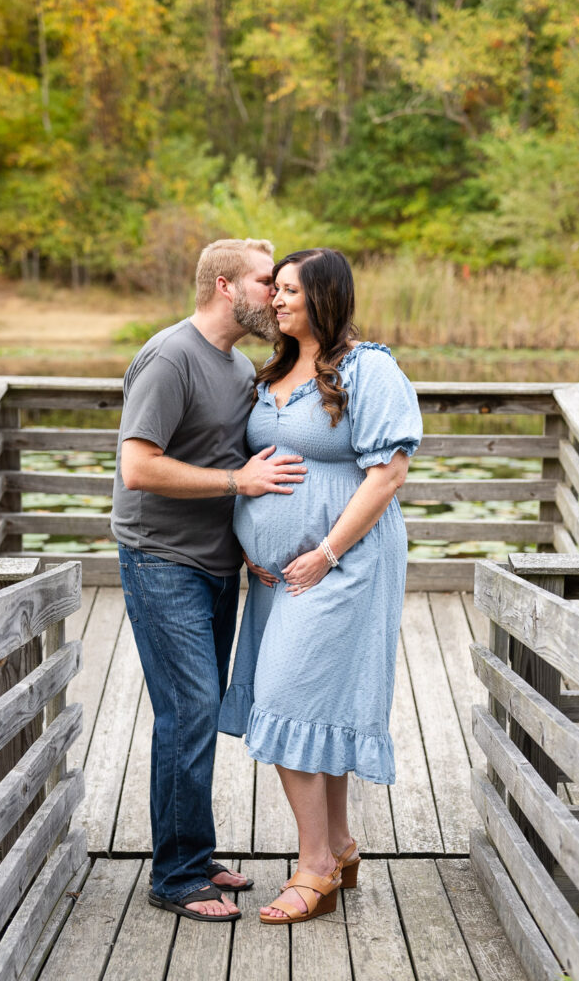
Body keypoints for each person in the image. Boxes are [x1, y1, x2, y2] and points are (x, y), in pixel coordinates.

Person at [219, 248, 423, 924]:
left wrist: (327, 551)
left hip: (345, 563)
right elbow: (258, 465)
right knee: (311, 706)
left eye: (288, 292)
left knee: (284, 697)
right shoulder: (274, 369)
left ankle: (312, 869)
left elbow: (387, 475)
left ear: (324, 297)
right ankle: (336, 847)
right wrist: (256, 533)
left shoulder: (369, 369)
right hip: (280, 575)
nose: (274, 301)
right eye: (272, 289)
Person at [111, 238, 308, 923]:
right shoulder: (170, 357)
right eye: (264, 281)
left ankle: (192, 852)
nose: (276, 293)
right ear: (224, 286)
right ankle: (174, 877)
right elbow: (139, 467)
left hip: (217, 563)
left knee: (197, 712)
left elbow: (228, 457)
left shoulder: (237, 363)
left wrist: (247, 538)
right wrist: (239, 481)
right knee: (189, 711)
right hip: (161, 561)